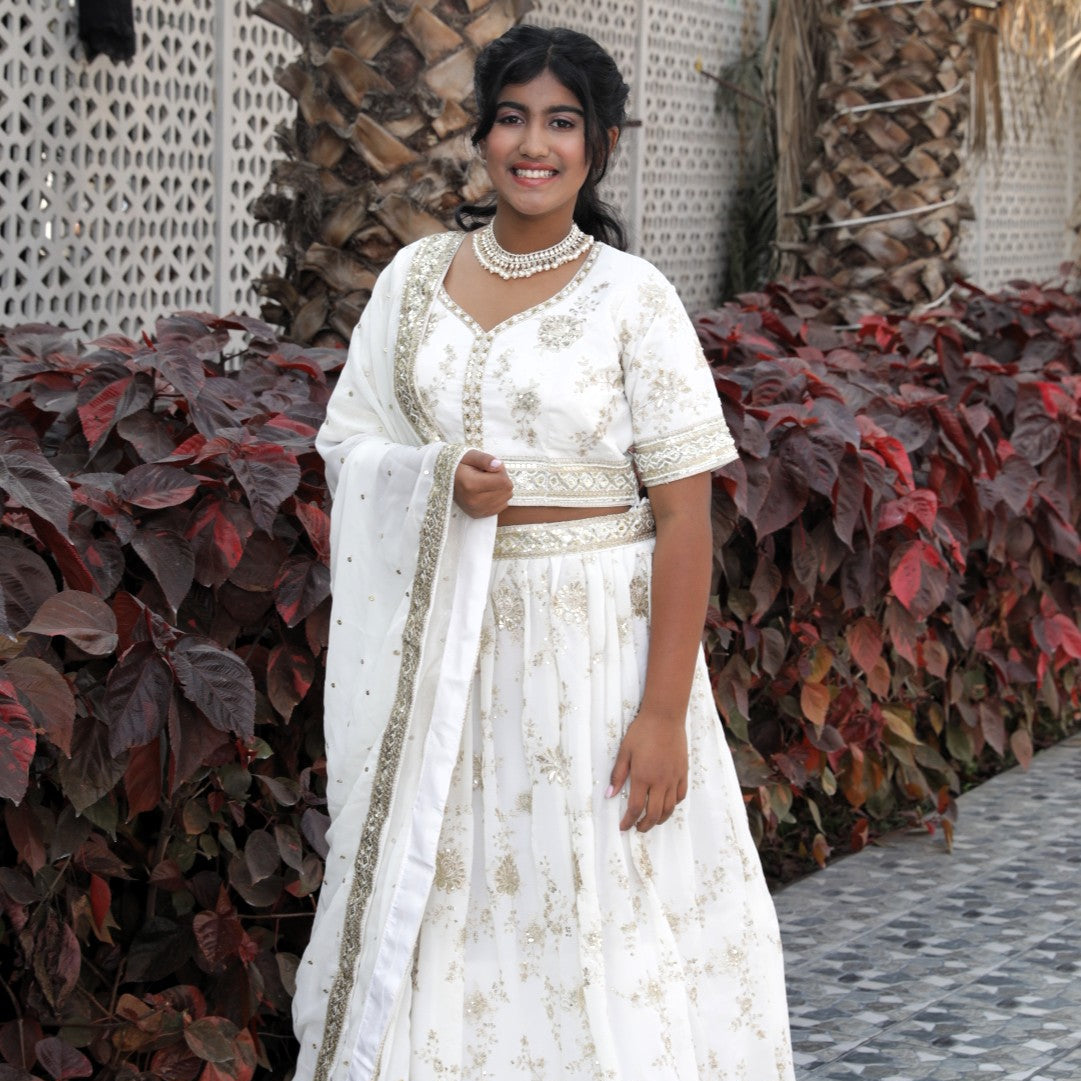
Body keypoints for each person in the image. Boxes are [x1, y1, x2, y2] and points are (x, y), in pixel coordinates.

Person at [292, 24, 794, 1081]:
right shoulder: (414, 279)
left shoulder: (632, 298)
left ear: (598, 143)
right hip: (448, 664)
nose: (534, 143)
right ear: (480, 135)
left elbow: (685, 518)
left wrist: (661, 715)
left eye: (560, 122)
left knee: (592, 901)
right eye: (512, 117)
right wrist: (439, 484)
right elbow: (348, 442)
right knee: (450, 892)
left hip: (591, 662)